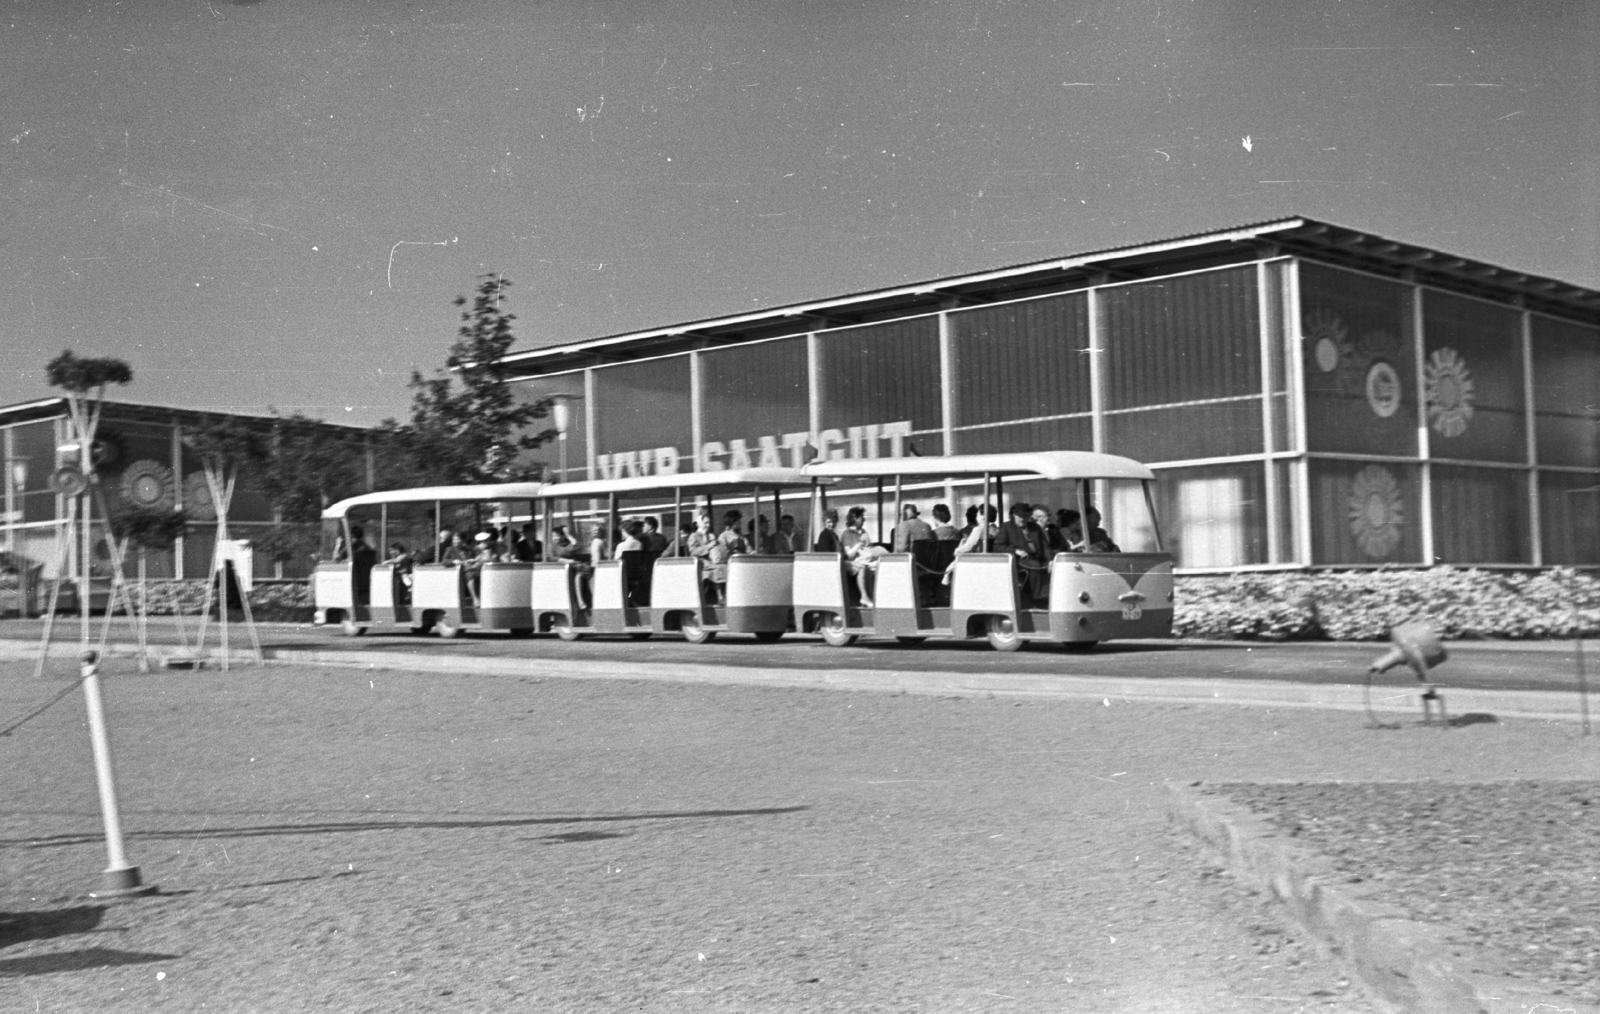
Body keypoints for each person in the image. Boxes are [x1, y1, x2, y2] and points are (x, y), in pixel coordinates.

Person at [992, 503, 1050, 604]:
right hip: (1019, 560)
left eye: (1025, 516)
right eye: (1020, 516)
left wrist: (1051, 560)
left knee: (1057, 566)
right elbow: (997, 547)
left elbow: (1045, 546)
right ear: (1014, 515)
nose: (1022, 519)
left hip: (1037, 557)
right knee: (1035, 565)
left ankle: (1050, 596)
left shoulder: (1035, 527)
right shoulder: (1007, 527)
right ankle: (1037, 598)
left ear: (1029, 516)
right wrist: (1015, 551)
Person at [843, 506, 885, 607]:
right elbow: (848, 555)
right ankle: (865, 597)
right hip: (853, 561)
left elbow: (869, 547)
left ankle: (876, 598)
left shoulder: (863, 532)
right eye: (862, 517)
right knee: (865, 566)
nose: (864, 519)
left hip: (866, 559)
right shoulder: (847, 534)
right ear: (855, 518)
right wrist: (858, 546)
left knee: (880, 564)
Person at [708, 510, 748, 605]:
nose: (740, 523)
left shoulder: (741, 536)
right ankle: (722, 597)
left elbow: (748, 547)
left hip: (742, 562)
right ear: (731, 522)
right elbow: (722, 552)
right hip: (730, 563)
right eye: (737, 521)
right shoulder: (724, 536)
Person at [685, 513, 717, 601]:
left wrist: (714, 541)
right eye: (706, 523)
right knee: (717, 570)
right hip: (701, 563)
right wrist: (708, 547)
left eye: (709, 523)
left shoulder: (710, 535)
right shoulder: (693, 536)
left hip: (711, 562)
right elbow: (693, 551)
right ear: (700, 523)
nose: (708, 525)